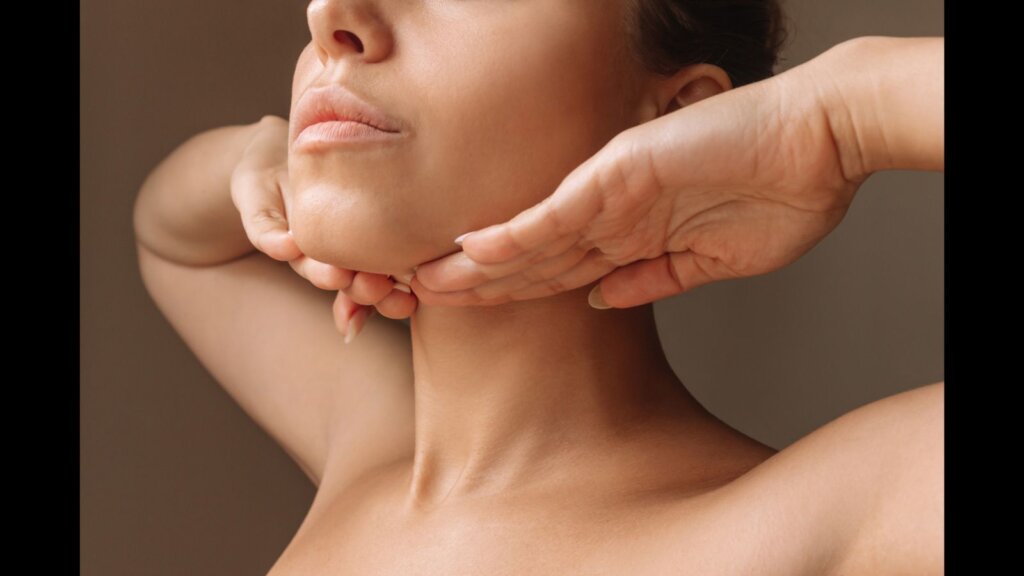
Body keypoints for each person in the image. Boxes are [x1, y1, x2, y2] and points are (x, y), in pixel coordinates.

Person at [133, 0, 943, 573]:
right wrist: (261, 156)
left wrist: (844, 117)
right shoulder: (369, 453)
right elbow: (171, 234)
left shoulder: (809, 523)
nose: (330, 15)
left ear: (680, 117)